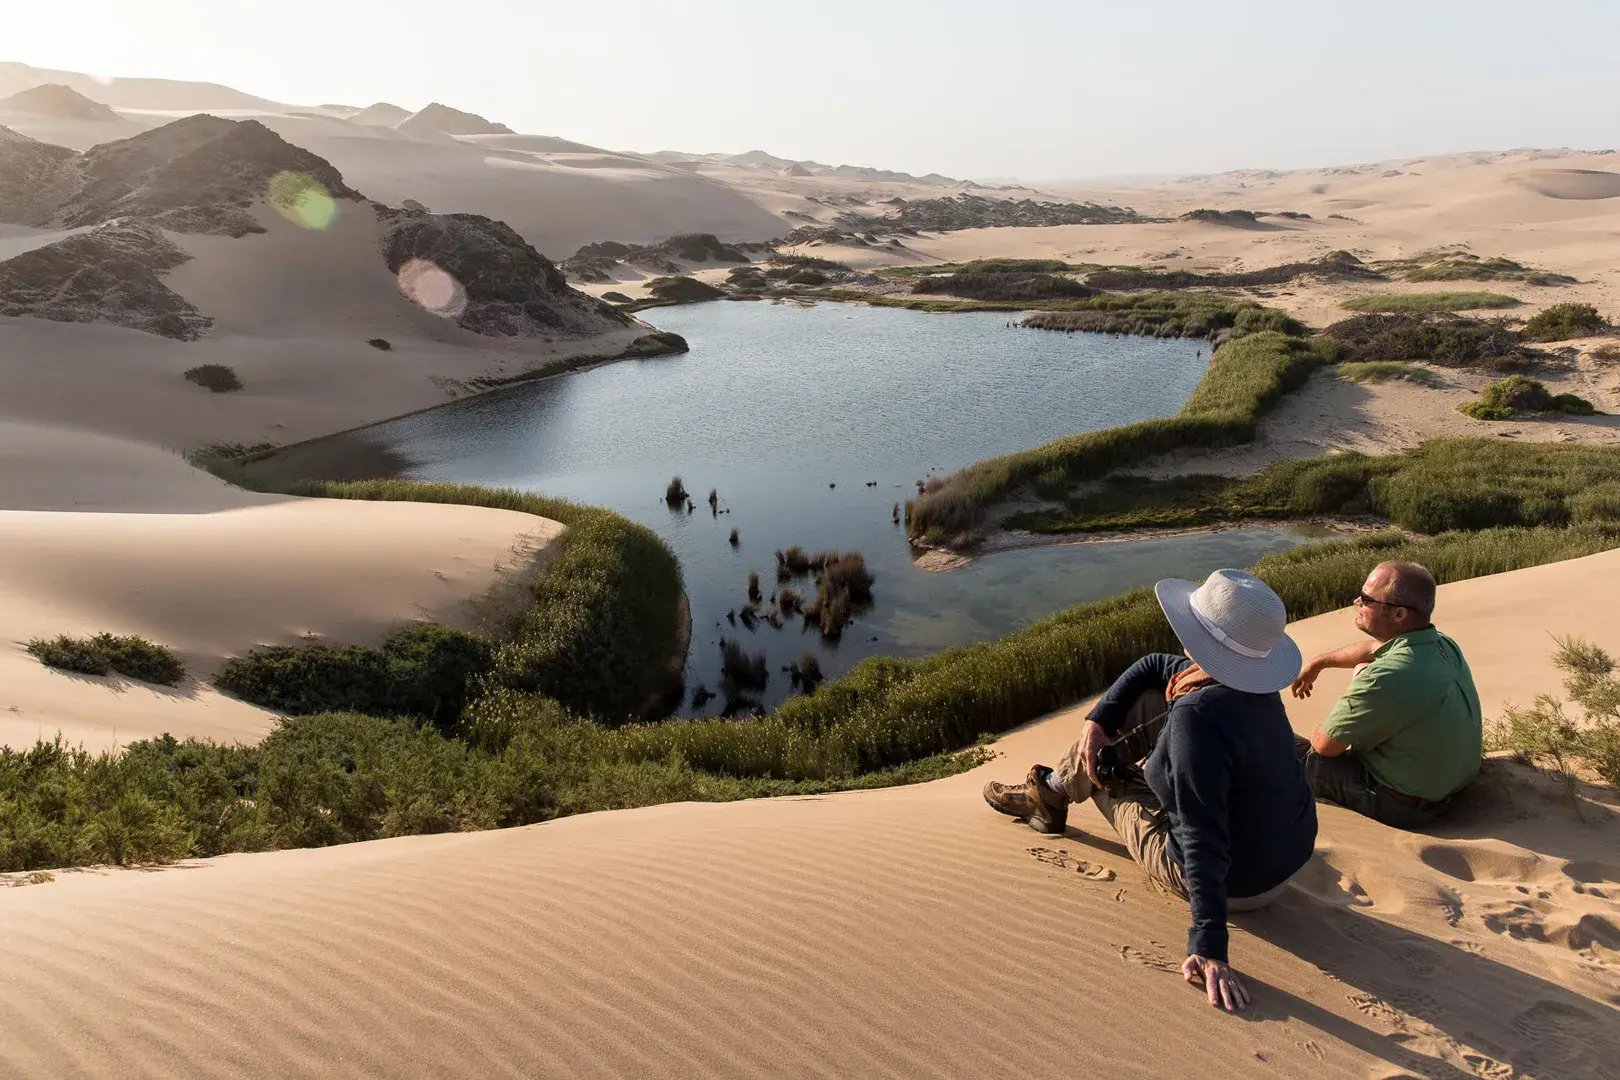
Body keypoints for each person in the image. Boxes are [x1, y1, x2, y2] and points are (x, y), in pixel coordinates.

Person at [982, 569, 1317, 1013]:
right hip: (1279, 868)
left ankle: (1049, 795)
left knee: (1097, 766)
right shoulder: (1252, 689)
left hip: (1236, 886)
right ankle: (1052, 788)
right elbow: (1153, 665)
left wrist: (1209, 944)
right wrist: (1098, 720)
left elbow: (1202, 836)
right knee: (1137, 708)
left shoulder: (1197, 717)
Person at [1290, 561, 1481, 828]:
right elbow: (1372, 648)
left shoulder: (1386, 676)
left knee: (1283, 746)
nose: (1357, 601)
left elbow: (1325, 747)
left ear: (1399, 614)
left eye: (1367, 599)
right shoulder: (1442, 644)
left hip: (1401, 805)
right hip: (1451, 788)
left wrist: (1356, 687)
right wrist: (1319, 662)